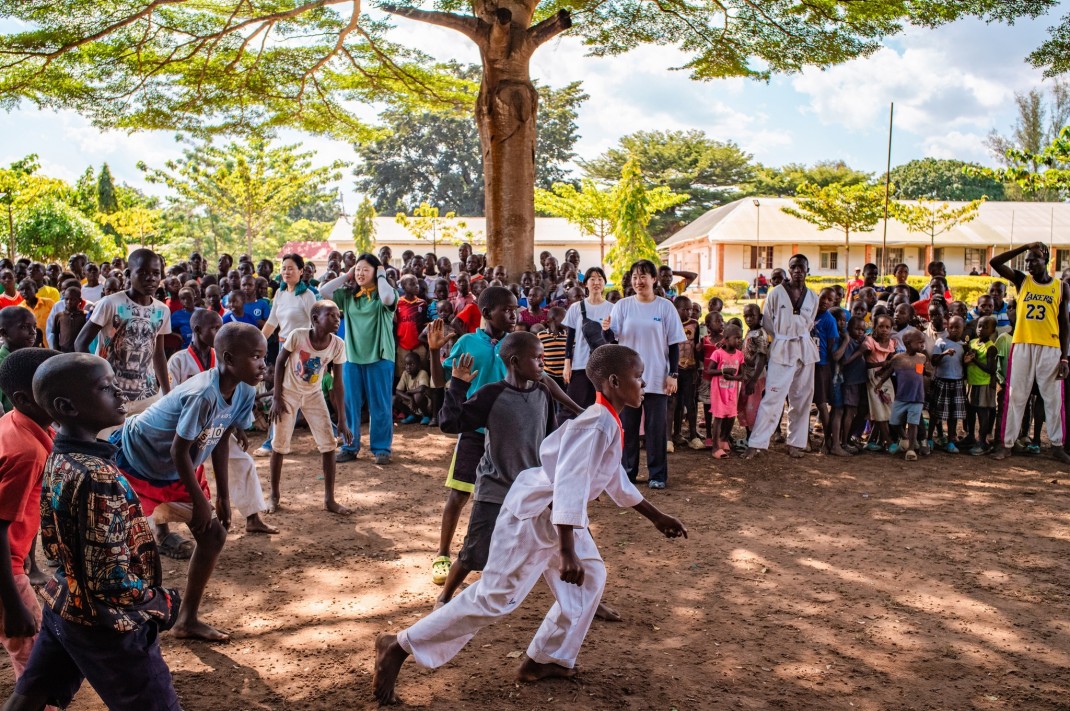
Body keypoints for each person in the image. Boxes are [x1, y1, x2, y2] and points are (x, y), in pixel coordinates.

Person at [372, 344, 688, 705]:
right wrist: (567, 551)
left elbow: (612, 476)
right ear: (614, 382)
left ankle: (547, 658)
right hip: (535, 515)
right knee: (495, 598)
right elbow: (568, 483)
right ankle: (398, 645)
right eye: (638, 376)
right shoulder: (597, 424)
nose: (643, 382)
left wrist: (656, 516)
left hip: (557, 516)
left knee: (590, 579)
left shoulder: (604, 420)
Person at [5, 353, 181, 710]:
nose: (120, 393)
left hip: (63, 601)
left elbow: (55, 543)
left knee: (31, 696)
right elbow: (110, 581)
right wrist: (159, 601)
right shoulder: (97, 476)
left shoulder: (57, 453)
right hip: (105, 624)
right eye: (105, 387)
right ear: (66, 407)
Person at [112, 322, 265, 642]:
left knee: (213, 535)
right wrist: (199, 502)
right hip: (134, 460)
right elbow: (178, 450)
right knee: (120, 546)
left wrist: (223, 497)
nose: (263, 364)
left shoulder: (245, 390)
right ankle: (116, 625)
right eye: (255, 357)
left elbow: (220, 437)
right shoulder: (203, 393)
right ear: (229, 359)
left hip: (176, 468)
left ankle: (187, 620)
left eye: (263, 356)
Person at [433, 332, 556, 608]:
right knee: (474, 552)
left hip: (532, 490)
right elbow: (449, 423)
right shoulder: (491, 394)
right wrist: (458, 386)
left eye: (543, 358)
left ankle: (585, 597)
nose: (542, 364)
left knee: (561, 543)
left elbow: (551, 440)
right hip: (496, 488)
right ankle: (445, 597)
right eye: (536, 358)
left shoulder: (543, 393)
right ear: (515, 362)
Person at [425, 287, 514, 586]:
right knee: (459, 494)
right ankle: (442, 554)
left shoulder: (514, 343)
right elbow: (440, 381)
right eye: (507, 310)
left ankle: (500, 557)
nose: (513, 315)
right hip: (474, 431)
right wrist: (434, 352)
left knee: (507, 499)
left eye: (515, 309)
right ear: (487, 313)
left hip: (506, 433)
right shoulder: (467, 342)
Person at [167, 310, 276, 536]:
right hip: (185, 429)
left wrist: (237, 426)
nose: (218, 332)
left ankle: (253, 517)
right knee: (175, 474)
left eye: (220, 327)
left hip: (218, 426)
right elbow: (170, 399)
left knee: (243, 462)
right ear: (197, 330)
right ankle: (163, 529)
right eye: (214, 328)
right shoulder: (179, 360)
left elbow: (234, 395)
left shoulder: (226, 356)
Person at [0, 349, 58, 685]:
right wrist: (13, 603)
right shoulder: (27, 453)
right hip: (6, 570)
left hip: (12, 561)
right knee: (37, 660)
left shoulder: (20, 423)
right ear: (25, 398)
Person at [607, 260, 686, 488]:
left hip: (657, 377)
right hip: (628, 380)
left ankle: (657, 476)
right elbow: (611, 340)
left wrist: (672, 374)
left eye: (643, 276)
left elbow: (674, 344)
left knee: (656, 430)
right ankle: (627, 474)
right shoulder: (622, 306)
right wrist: (604, 330)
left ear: (653, 279)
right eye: (635, 277)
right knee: (628, 429)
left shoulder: (665, 307)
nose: (638, 281)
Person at [989, 243, 1070, 463]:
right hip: (1023, 345)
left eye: (1034, 259)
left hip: (1050, 348)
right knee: (1016, 395)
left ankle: (1057, 445)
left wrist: (1064, 357)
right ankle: (1006, 444)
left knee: (1053, 398)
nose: (1029, 264)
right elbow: (995, 262)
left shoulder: (1061, 287)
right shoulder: (1022, 281)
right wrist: (1024, 247)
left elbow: (1064, 324)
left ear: (1046, 260)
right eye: (1027, 260)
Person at [269, 301, 352, 514]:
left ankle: (329, 499)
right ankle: (274, 496)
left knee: (329, 444)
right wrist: (277, 397)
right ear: (315, 319)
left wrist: (342, 419)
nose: (337, 320)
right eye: (331, 316)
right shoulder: (298, 336)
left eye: (338, 316)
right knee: (279, 444)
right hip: (288, 393)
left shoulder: (338, 344)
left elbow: (338, 382)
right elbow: (279, 362)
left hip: (314, 394)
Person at [319, 253, 397, 466]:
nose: (361, 273)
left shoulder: (385, 294)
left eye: (366, 269)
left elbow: (388, 299)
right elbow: (324, 291)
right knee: (349, 404)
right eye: (358, 269)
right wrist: (348, 275)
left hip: (380, 357)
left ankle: (381, 449)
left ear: (376, 272)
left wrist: (381, 275)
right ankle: (349, 446)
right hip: (352, 357)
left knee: (380, 405)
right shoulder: (348, 296)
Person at [74, 248, 172, 414]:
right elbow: (80, 343)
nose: (151, 278)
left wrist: (168, 394)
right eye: (142, 272)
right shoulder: (110, 303)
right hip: (111, 396)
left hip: (147, 397)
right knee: (109, 432)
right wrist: (97, 382)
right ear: (129, 273)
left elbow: (158, 353)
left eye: (156, 273)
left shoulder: (162, 310)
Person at [744, 255, 819, 459]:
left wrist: (797, 334)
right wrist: (782, 338)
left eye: (801, 267)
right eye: (793, 267)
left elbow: (810, 323)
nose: (797, 271)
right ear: (789, 269)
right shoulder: (776, 293)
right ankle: (757, 443)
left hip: (805, 349)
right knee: (773, 397)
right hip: (782, 347)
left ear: (807, 270)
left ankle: (796, 443)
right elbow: (768, 323)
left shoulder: (813, 297)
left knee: (802, 398)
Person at [563, 267, 613, 411]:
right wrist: (567, 364)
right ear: (585, 283)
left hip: (604, 368)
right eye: (592, 279)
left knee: (601, 409)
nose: (596, 283)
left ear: (604, 283)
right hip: (580, 365)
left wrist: (607, 329)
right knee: (574, 409)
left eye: (600, 279)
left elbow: (613, 340)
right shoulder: (576, 308)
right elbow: (570, 337)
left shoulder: (612, 308)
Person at [878, 329, 930, 460]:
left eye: (923, 342)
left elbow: (927, 372)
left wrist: (928, 373)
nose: (922, 345)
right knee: (894, 422)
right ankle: (905, 438)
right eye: (919, 342)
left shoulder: (922, 357)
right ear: (907, 343)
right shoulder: (898, 358)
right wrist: (880, 382)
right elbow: (889, 370)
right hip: (901, 397)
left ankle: (911, 449)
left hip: (917, 397)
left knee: (913, 424)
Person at [706, 323, 745, 458]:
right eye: (736, 338)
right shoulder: (718, 353)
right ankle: (715, 448)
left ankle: (723, 440)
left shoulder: (740, 355)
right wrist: (723, 371)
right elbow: (709, 370)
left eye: (740, 338)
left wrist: (733, 378)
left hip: (732, 392)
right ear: (726, 339)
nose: (739, 340)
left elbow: (742, 375)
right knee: (719, 417)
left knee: (731, 416)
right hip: (719, 392)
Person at [930, 316, 967, 453]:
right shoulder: (941, 342)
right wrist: (944, 354)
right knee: (935, 412)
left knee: (953, 414)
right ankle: (929, 439)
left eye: (957, 327)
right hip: (942, 381)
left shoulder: (963, 346)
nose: (954, 330)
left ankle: (951, 441)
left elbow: (963, 365)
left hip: (957, 382)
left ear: (963, 328)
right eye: (951, 327)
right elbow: (934, 361)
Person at [671, 295, 703, 450]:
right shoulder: (671, 323)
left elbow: (696, 347)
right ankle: (675, 434)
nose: (689, 312)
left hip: (690, 369)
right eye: (685, 309)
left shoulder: (695, 325)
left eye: (690, 309)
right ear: (676, 309)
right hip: (675, 369)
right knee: (675, 403)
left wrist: (697, 368)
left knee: (690, 403)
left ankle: (693, 435)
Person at [964, 315, 999, 455]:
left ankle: (982, 442)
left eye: (985, 327)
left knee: (982, 413)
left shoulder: (991, 348)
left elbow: (991, 369)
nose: (981, 329)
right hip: (972, 383)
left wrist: (975, 360)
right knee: (970, 411)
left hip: (983, 384)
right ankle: (970, 436)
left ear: (992, 331)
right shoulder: (972, 342)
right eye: (979, 326)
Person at [863, 314, 897, 452]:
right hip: (872, 377)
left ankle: (872, 440)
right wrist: (880, 365)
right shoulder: (870, 341)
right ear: (874, 327)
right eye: (881, 326)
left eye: (887, 327)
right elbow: (865, 364)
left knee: (888, 407)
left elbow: (892, 362)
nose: (884, 329)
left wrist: (884, 370)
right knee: (878, 408)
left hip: (885, 377)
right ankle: (889, 442)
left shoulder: (892, 343)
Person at [0, 308, 38, 414]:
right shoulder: (2, 364)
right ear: (4, 333)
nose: (33, 332)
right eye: (24, 327)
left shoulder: (33, 358)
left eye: (34, 326)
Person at [394, 351, 433, 425]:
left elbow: (422, 388)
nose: (408, 367)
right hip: (413, 403)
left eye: (412, 364)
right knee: (394, 399)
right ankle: (413, 415)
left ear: (419, 365)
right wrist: (410, 398)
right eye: (406, 364)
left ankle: (426, 416)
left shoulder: (422, 373)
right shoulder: (405, 373)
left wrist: (409, 392)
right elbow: (398, 391)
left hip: (425, 403)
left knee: (417, 396)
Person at [16, 280, 53, 348]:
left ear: (36, 290)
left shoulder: (48, 303)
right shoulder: (20, 309)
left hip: (51, 342)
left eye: (28, 289)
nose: (24, 292)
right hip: (33, 345)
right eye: (21, 289)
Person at [50, 287, 86, 353]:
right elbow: (55, 337)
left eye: (73, 299)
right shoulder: (59, 316)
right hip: (63, 352)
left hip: (80, 352)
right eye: (66, 299)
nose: (69, 302)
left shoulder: (84, 316)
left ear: (80, 300)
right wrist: (56, 352)